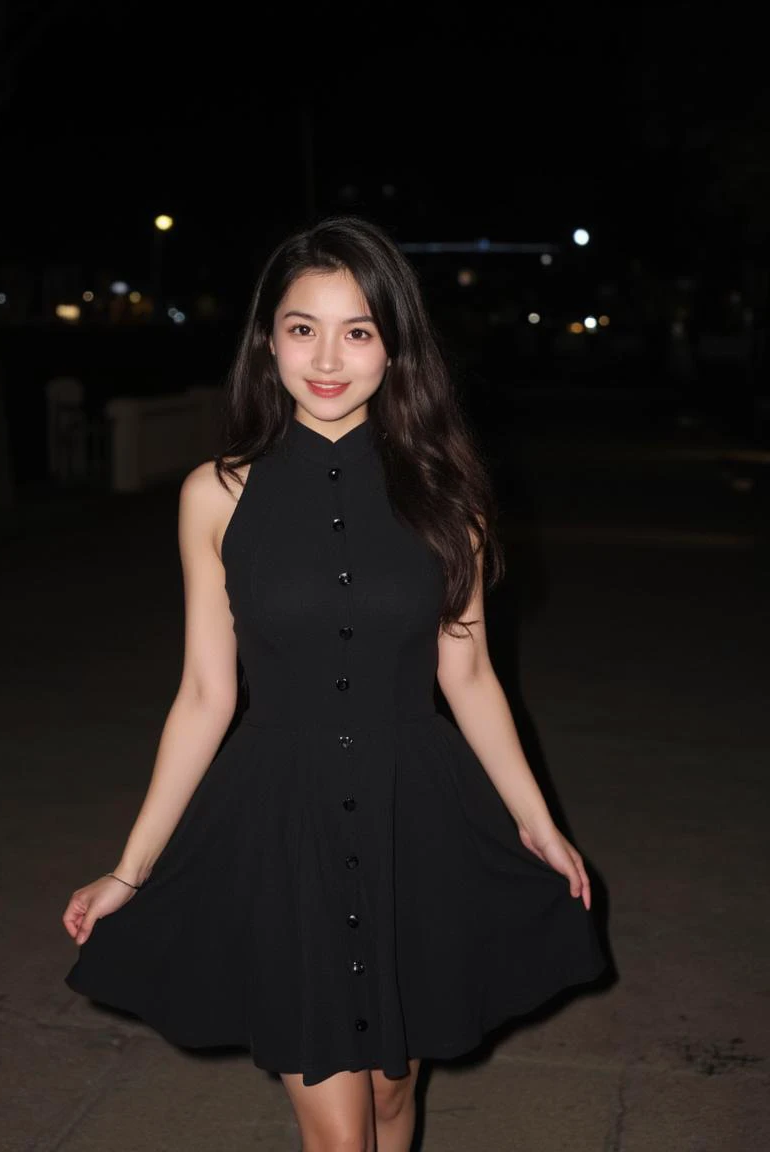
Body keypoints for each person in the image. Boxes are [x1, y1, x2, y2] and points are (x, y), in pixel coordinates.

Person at [62, 214, 606, 1151]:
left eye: (357, 330)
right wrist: (131, 865)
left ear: (393, 350)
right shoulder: (215, 495)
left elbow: (468, 672)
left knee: (395, 1097)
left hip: (415, 817)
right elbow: (205, 693)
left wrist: (539, 822)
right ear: (267, 340)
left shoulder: (449, 497)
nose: (327, 356)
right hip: (285, 826)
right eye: (302, 326)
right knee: (339, 1133)